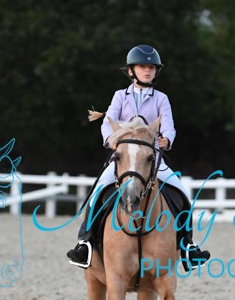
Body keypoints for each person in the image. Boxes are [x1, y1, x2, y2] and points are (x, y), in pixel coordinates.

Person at [67, 44, 210, 268]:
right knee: (97, 192)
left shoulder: (161, 98)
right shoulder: (119, 96)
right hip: (123, 159)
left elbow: (169, 126)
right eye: (143, 67)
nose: (147, 71)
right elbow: (107, 122)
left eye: (151, 68)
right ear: (131, 71)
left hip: (151, 159)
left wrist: (167, 139)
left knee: (182, 194)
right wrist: (110, 139)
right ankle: (84, 243)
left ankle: (188, 245)